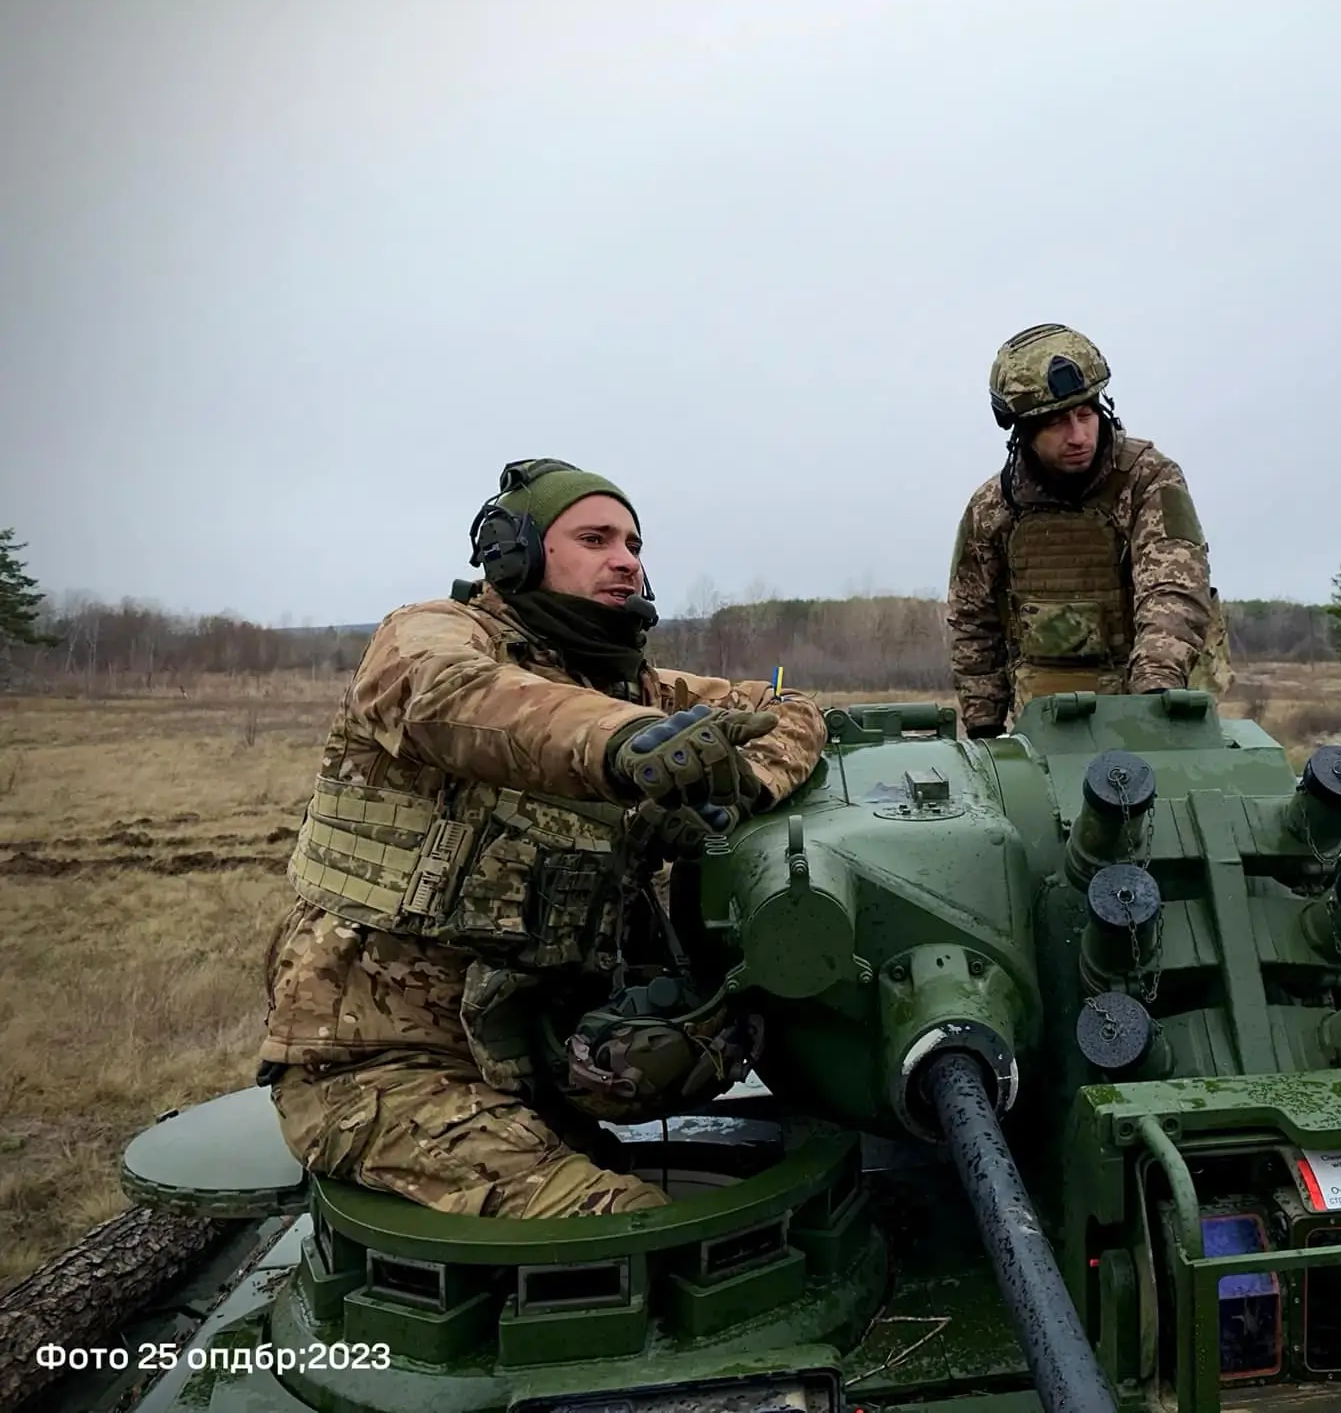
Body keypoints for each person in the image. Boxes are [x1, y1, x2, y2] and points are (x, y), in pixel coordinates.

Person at [257, 458, 827, 1219]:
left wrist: (743, 783)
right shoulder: (430, 637)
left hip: (530, 1057)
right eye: (595, 538)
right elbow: (457, 697)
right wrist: (626, 746)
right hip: (378, 1064)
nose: (626, 560)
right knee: (628, 1229)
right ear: (514, 553)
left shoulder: (632, 685)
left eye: (632, 543)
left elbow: (788, 707)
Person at [945, 323, 1231, 738]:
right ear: (1024, 433)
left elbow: (1173, 589)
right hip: (1049, 717)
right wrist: (984, 725)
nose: (1078, 436)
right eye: (1058, 423)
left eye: (1086, 415)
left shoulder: (1148, 480)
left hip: (1160, 701)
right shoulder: (993, 507)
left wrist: (1155, 691)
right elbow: (973, 621)